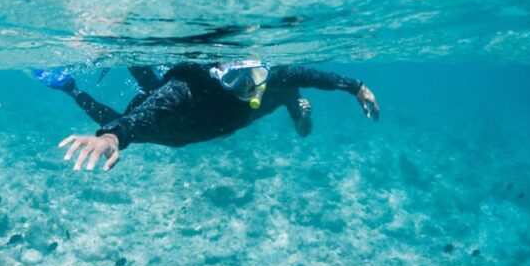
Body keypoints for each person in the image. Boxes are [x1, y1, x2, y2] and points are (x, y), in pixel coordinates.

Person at [38, 62, 379, 172]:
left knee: (154, 87)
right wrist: (112, 137)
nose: (248, 87)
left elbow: (314, 82)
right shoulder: (190, 86)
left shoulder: (280, 84)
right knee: (138, 106)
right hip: (172, 128)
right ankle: (70, 88)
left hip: (191, 131)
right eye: (235, 79)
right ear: (218, 74)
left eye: (255, 76)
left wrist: (356, 87)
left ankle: (76, 87)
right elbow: (144, 117)